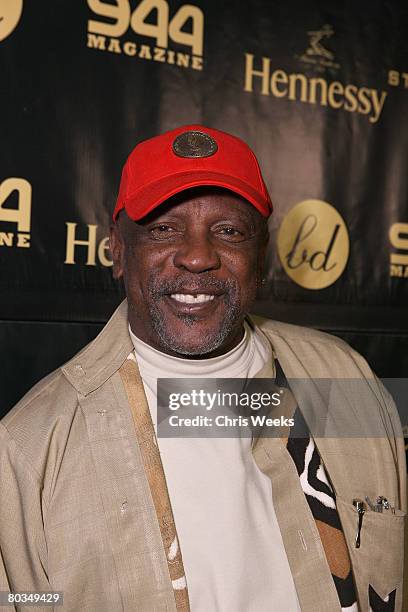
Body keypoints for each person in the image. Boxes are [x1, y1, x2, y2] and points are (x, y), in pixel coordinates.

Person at [0, 125, 405, 612]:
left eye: (229, 231)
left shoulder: (343, 376)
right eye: (164, 229)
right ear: (117, 250)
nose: (197, 256)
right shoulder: (31, 448)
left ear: (262, 257)